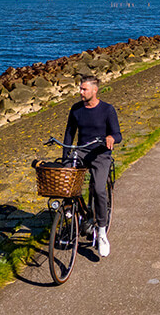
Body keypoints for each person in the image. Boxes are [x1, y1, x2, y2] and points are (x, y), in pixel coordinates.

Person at [63, 75, 121, 258]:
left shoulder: (107, 110)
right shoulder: (76, 109)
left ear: (94, 90)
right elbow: (69, 135)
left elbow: (117, 134)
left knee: (98, 189)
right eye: (80, 88)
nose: (80, 92)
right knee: (65, 184)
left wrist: (111, 139)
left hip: (100, 154)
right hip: (81, 151)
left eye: (84, 89)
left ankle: (102, 232)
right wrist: (65, 160)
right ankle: (72, 214)